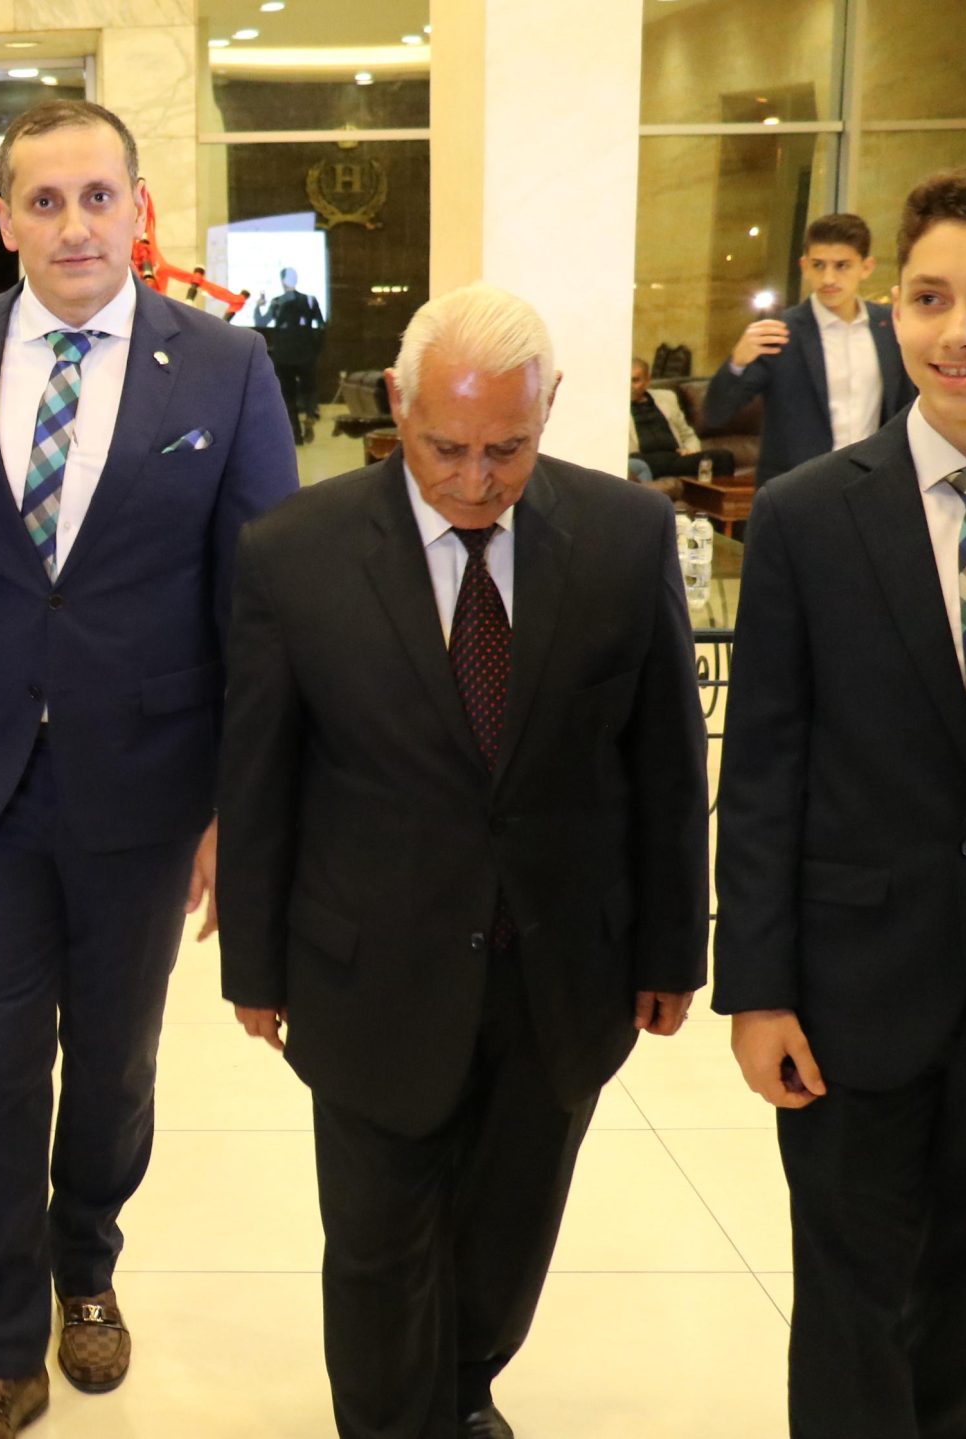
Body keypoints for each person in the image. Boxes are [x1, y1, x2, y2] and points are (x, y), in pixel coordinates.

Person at [223, 284, 711, 1439]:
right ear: (398, 402)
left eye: (509, 448)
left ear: (551, 408)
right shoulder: (294, 550)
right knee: (378, 1246)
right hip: (370, 966)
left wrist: (669, 949)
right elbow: (259, 775)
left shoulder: (624, 536)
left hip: (562, 967)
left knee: (508, 1227)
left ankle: (463, 1383)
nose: (478, 479)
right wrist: (257, 964)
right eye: (446, 447)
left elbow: (664, 762)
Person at [0, 99, 298, 1437]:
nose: (73, 224)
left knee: (113, 1065)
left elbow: (264, 607)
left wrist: (240, 807)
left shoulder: (224, 365)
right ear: (4, 219)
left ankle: (87, 1263)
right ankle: (1, 1348)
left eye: (96, 196)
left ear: (137, 207)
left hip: (150, 788)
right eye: (44, 200)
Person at [715, 158, 966, 1439]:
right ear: (894, 306)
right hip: (849, 989)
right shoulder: (808, 517)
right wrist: (756, 985)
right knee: (848, 1299)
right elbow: (762, 769)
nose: (958, 332)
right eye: (929, 297)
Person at [704, 212, 920, 482]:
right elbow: (716, 413)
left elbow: (909, 406)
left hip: (873, 482)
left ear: (866, 267)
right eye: (818, 265)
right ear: (804, 267)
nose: (828, 278)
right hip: (798, 487)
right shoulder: (780, 332)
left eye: (842, 266)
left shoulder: (890, 326)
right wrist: (737, 362)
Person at [628, 356, 736, 490]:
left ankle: (716, 501)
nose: (629, 386)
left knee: (723, 457)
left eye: (635, 380)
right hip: (644, 460)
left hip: (675, 457)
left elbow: (688, 435)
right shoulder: (615, 405)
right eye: (626, 379)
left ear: (647, 381)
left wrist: (690, 450)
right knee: (639, 463)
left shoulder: (667, 398)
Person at [255, 266, 327, 444]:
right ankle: (309, 415)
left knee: (288, 395)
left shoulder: (277, 302)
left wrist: (258, 306)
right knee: (309, 389)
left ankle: (296, 434)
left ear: (282, 281)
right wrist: (316, 348)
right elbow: (321, 325)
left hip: (283, 354)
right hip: (306, 353)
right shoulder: (310, 300)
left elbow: (261, 322)